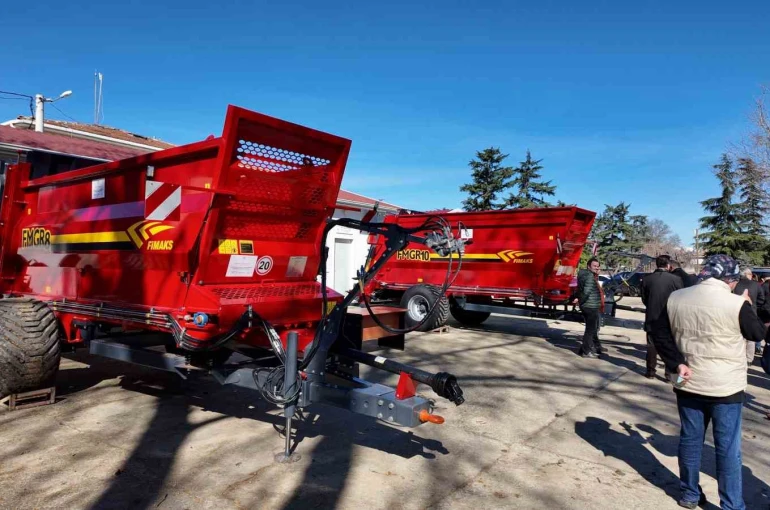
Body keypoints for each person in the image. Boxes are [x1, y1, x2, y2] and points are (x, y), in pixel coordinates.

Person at [651, 254, 768, 510]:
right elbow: (757, 333)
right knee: (727, 449)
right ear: (731, 279)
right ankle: (732, 504)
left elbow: (657, 331)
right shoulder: (736, 304)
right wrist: (747, 304)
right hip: (725, 386)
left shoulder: (677, 297)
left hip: (688, 381)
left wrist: (676, 362)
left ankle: (689, 494)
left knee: (690, 440)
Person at [640, 255, 683, 379]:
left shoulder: (647, 279)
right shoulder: (676, 280)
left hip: (652, 316)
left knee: (651, 346)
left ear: (656, 265)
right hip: (670, 317)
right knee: (670, 346)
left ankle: (650, 372)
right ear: (669, 265)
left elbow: (644, 299)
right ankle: (669, 374)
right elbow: (680, 298)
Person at [733, 267, 769, 364]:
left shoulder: (735, 285)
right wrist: (755, 306)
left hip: (736, 312)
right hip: (752, 312)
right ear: (749, 275)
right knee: (750, 338)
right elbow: (762, 299)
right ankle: (749, 359)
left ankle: (740, 357)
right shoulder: (756, 285)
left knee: (739, 336)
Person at [573, 257, 604, 358]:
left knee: (591, 329)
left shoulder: (583, 274)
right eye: (594, 266)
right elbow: (586, 292)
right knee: (590, 330)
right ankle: (586, 351)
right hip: (590, 306)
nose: (596, 268)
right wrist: (580, 300)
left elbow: (580, 289)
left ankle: (583, 350)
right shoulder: (590, 276)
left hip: (587, 305)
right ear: (588, 266)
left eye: (597, 266)